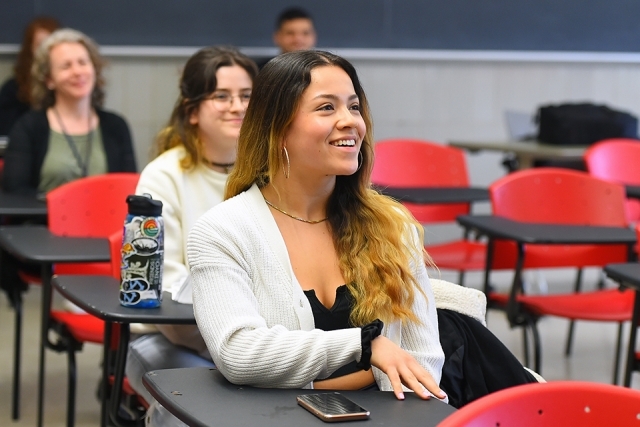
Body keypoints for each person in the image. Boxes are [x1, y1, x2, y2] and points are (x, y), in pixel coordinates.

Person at [187, 50, 537, 409]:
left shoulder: (392, 225)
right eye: (327, 108)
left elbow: (422, 362)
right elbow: (239, 354)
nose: (350, 121)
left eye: (354, 107)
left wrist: (316, 379)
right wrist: (365, 346)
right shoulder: (222, 231)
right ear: (277, 130)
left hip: (393, 414)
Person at [124, 46, 258, 425]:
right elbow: (166, 284)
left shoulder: (270, 175)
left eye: (246, 96)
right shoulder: (164, 176)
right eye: (222, 96)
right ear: (193, 110)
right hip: (165, 337)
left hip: (249, 340)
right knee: (190, 412)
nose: (237, 106)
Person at [3, 28, 137, 196]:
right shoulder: (28, 127)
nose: (77, 72)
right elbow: (15, 192)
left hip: (105, 221)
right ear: (49, 80)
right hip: (45, 221)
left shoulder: (116, 126)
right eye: (66, 66)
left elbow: (129, 190)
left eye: (83, 62)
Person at [0, 16, 60, 136]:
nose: (45, 52)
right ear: (30, 49)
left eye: (50, 46)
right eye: (40, 46)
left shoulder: (68, 87)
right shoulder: (13, 89)